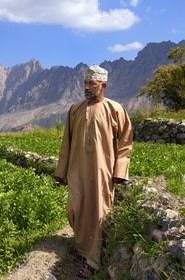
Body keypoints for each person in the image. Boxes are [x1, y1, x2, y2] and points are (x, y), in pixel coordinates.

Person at [54, 65, 133, 278]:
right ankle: (82, 248)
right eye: (85, 83)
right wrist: (60, 172)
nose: (87, 87)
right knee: (74, 208)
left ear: (103, 85)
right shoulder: (75, 109)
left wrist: (120, 170)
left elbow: (126, 141)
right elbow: (66, 142)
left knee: (99, 213)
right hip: (76, 170)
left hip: (102, 171)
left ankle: (93, 261)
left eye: (91, 83)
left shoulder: (115, 109)